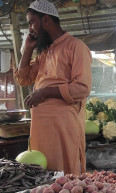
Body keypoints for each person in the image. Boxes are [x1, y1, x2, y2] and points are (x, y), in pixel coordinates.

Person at [14, 0, 92, 175]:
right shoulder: (44, 52)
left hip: (63, 124)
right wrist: (27, 50)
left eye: (32, 22)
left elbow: (82, 88)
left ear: (46, 20)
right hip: (41, 126)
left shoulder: (76, 46)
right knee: (42, 174)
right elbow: (23, 79)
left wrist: (45, 92)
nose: (30, 28)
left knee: (66, 176)